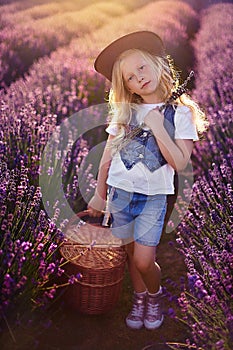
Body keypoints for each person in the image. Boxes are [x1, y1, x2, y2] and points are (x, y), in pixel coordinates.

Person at [87, 31, 207, 330]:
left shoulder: (181, 113)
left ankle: (154, 294)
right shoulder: (126, 112)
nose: (138, 77)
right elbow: (109, 156)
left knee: (143, 259)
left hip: (152, 197)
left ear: (157, 64)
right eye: (129, 77)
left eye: (141, 67)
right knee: (129, 252)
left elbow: (179, 163)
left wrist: (158, 126)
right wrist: (100, 193)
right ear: (124, 86)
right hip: (120, 194)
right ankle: (139, 297)